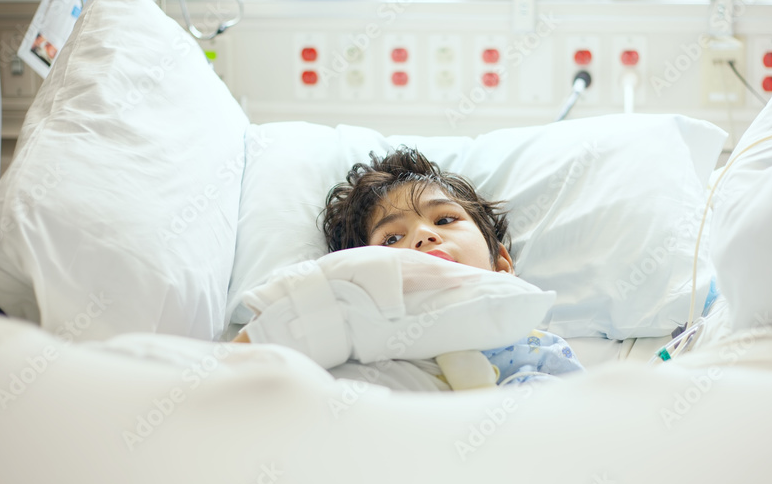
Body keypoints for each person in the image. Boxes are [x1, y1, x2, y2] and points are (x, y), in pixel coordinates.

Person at [237, 147, 584, 391]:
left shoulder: (536, 347)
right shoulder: (357, 338)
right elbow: (242, 365)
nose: (423, 235)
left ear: (501, 263)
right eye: (391, 239)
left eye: (445, 219)